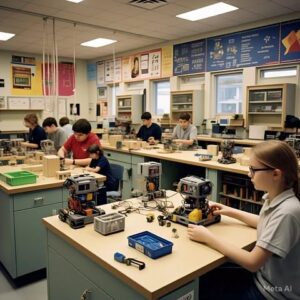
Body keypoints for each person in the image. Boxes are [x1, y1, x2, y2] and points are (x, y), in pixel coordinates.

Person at [187, 140, 300, 300]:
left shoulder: (287, 212)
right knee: (208, 275)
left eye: (253, 170)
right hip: (263, 279)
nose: (249, 174)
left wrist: (208, 237)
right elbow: (263, 222)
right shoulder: (276, 198)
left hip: (271, 292)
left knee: (203, 287)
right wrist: (228, 211)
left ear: (276, 174)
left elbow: (252, 262)